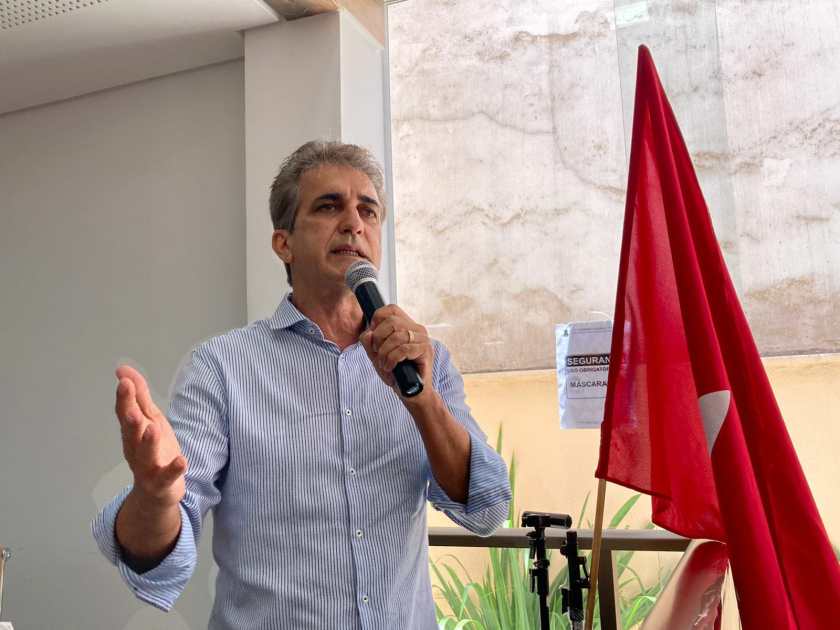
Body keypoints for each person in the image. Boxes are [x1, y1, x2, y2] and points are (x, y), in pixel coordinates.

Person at [92, 140, 511, 629]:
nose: (354, 223)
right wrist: (155, 494)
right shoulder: (223, 367)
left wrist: (422, 400)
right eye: (329, 206)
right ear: (283, 243)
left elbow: (486, 507)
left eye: (368, 211)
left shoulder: (424, 361)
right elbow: (156, 548)